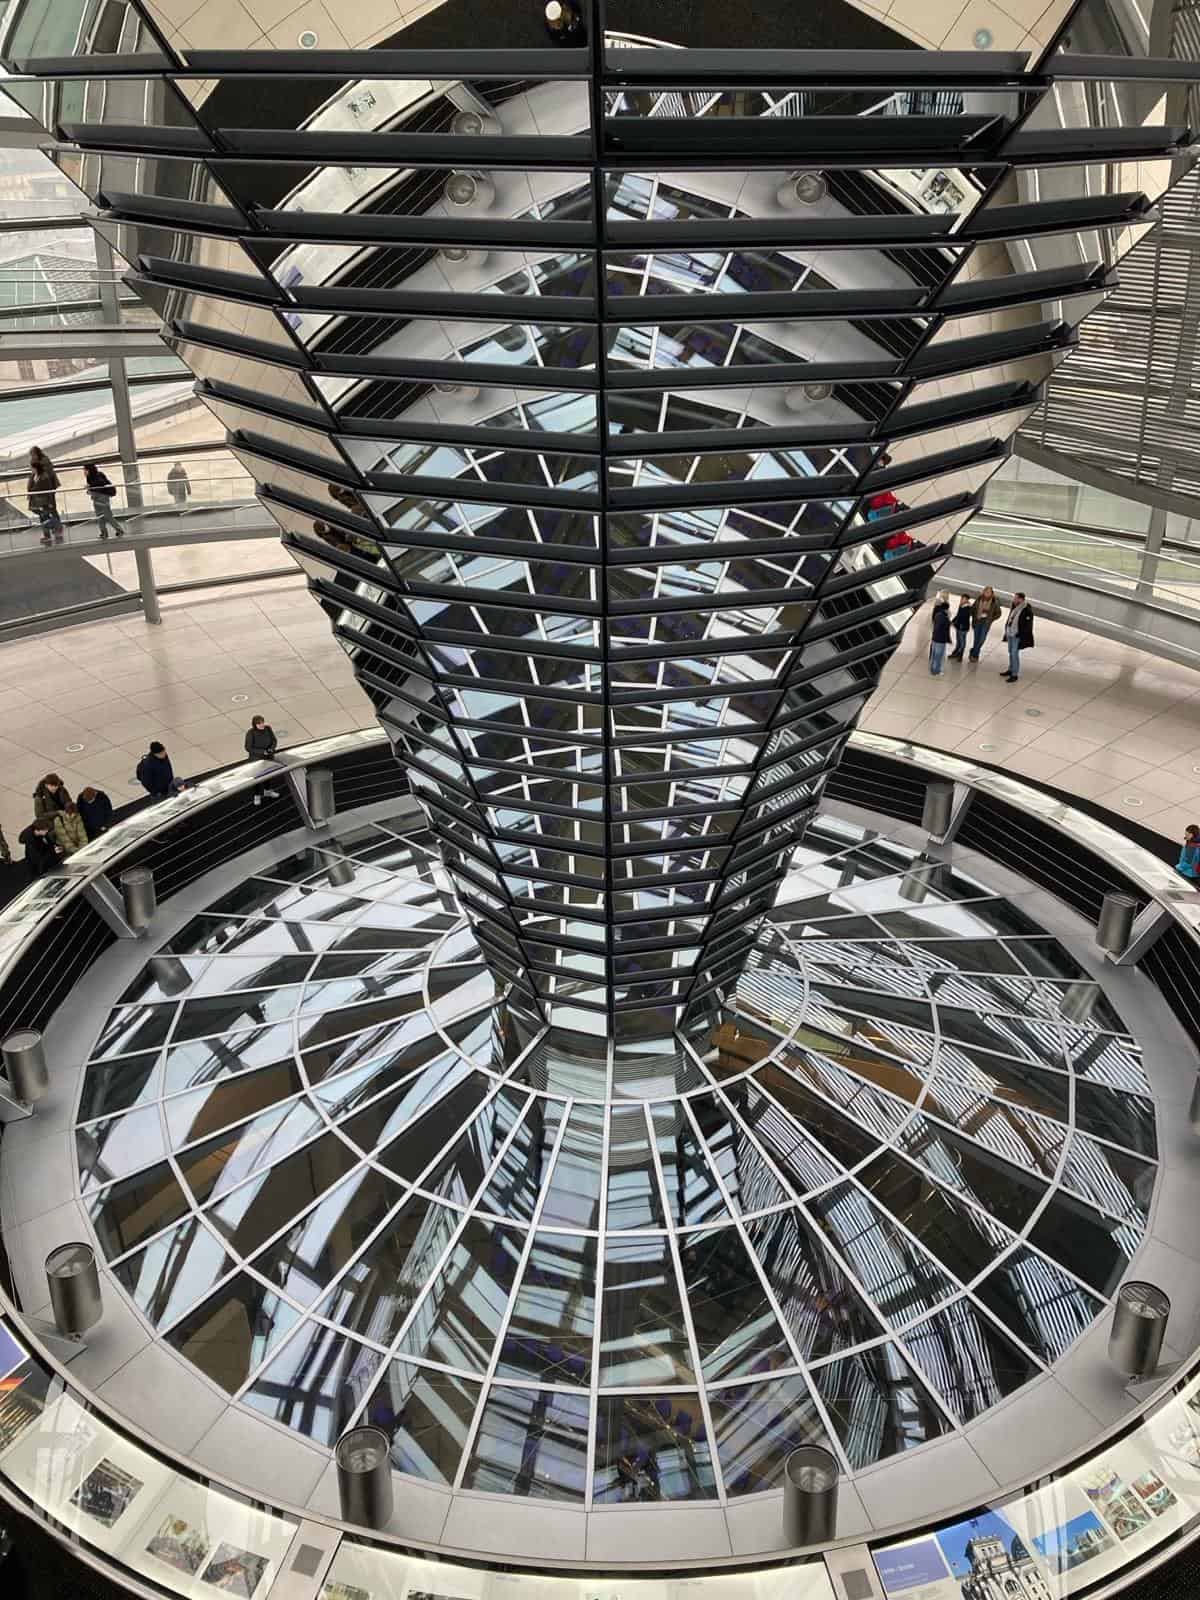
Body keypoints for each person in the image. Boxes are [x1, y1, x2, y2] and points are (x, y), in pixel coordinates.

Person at [27, 445, 63, 545]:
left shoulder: (44, 464)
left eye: (32, 455)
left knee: (50, 510)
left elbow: (47, 479)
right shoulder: (35, 471)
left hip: (47, 492)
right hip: (41, 496)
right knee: (44, 514)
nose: (31, 457)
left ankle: (57, 529)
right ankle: (51, 531)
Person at [244, 715, 282, 804]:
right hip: (257, 759)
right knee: (257, 778)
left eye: (262, 723)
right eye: (259, 724)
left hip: (268, 757)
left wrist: (271, 749)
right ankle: (257, 795)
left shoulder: (268, 728)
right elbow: (248, 748)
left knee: (268, 775)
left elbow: (274, 740)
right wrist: (262, 752)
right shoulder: (251, 733)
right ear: (255, 724)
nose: (262, 725)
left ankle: (267, 791)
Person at [84, 462, 124, 539]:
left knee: (108, 516)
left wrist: (90, 487)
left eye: (85, 470)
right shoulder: (90, 477)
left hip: (103, 498)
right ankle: (104, 533)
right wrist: (90, 488)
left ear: (89, 470)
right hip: (96, 498)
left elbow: (100, 484)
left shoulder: (97, 476)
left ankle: (119, 530)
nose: (84, 471)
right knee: (100, 516)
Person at [1001, 591, 1035, 682]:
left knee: (1014, 654)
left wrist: (1020, 634)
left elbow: (1028, 625)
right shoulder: (1014, 607)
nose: (1014, 599)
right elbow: (1010, 619)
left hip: (1017, 635)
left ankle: (1014, 674)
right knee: (1011, 652)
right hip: (1010, 633)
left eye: (1016, 598)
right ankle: (1010, 669)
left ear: (1021, 599)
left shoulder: (1026, 610)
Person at [968, 586, 1003, 662]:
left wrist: (991, 619)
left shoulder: (994, 602)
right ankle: (975, 656)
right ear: (983, 592)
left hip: (985, 623)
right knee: (976, 639)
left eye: (989, 592)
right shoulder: (979, 599)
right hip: (977, 621)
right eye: (986, 591)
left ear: (991, 593)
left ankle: (973, 651)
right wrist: (972, 615)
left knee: (981, 639)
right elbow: (973, 608)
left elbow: (998, 613)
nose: (987, 593)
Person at [929, 593, 952, 676]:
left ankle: (932, 669)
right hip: (940, 640)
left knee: (934, 655)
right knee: (938, 656)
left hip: (935, 638)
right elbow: (945, 629)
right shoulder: (944, 618)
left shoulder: (937, 615)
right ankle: (936, 671)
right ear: (946, 609)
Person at [949, 594, 974, 661]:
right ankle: (956, 653)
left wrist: (958, 624)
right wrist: (953, 621)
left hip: (963, 627)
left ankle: (960, 655)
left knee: (962, 641)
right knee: (958, 641)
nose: (962, 600)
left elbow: (964, 618)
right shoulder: (961, 605)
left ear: (967, 600)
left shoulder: (968, 608)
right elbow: (958, 615)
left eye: (963, 599)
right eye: (961, 598)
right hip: (958, 626)